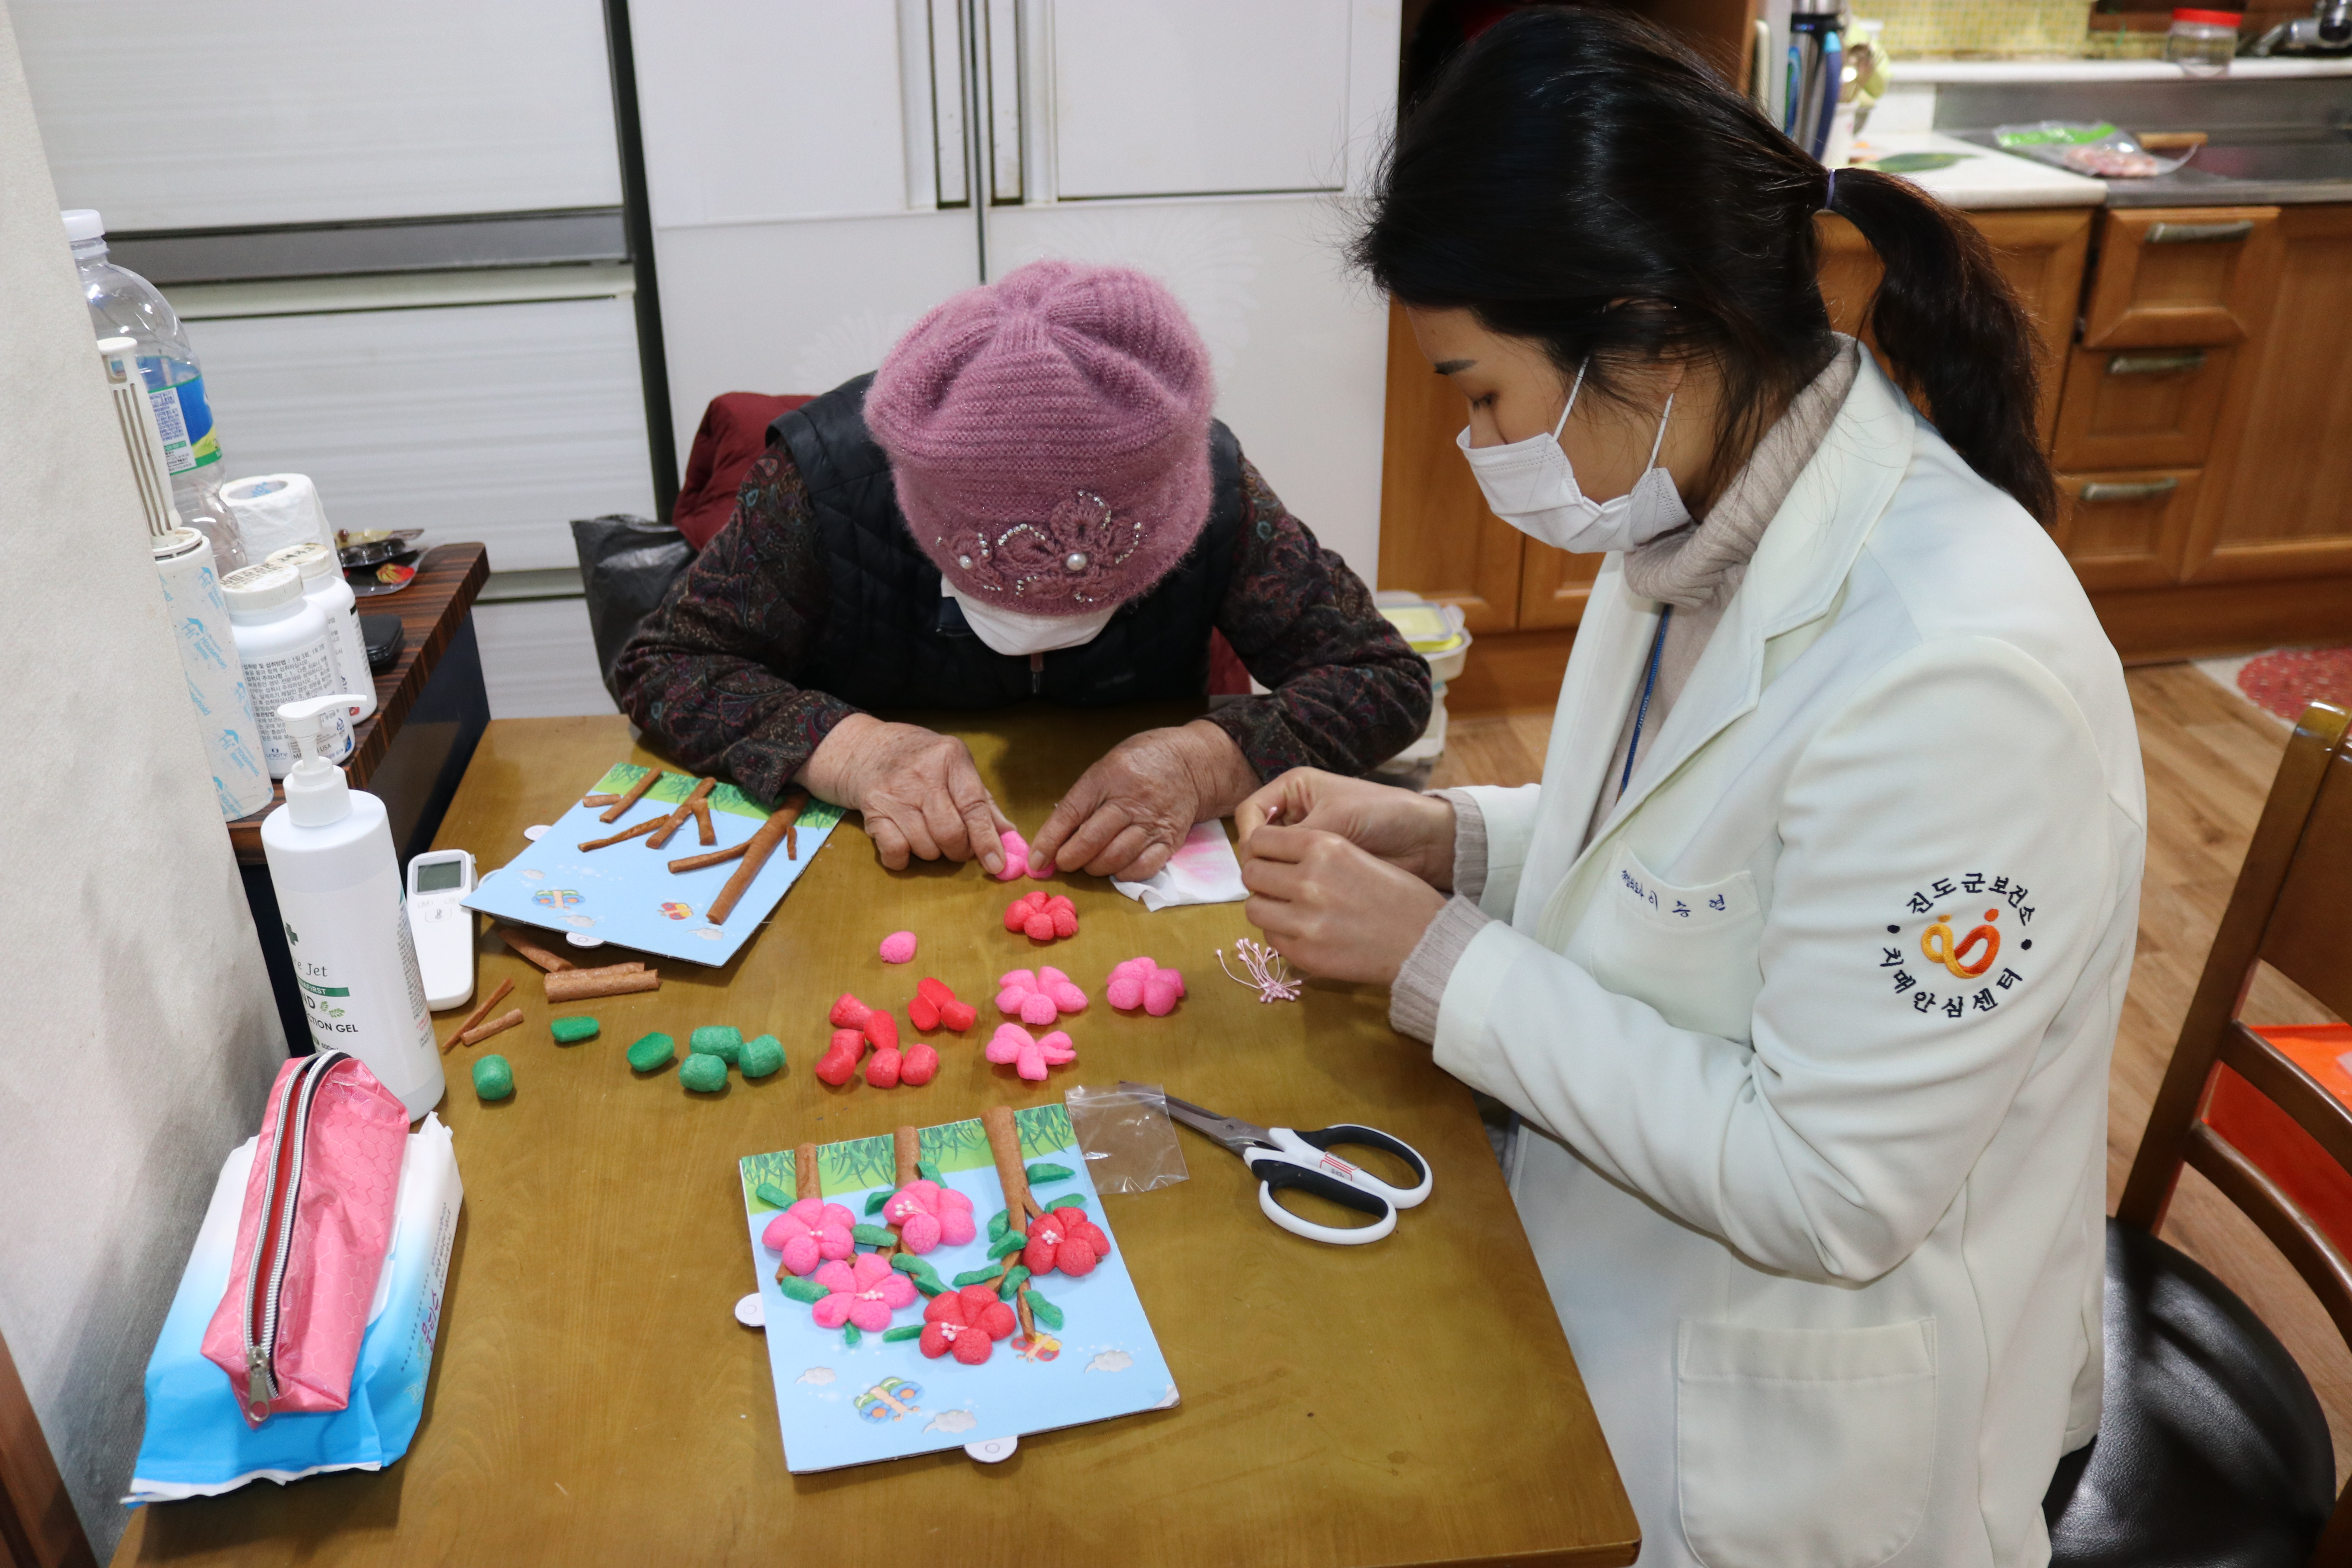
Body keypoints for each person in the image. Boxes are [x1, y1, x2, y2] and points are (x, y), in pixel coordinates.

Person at [1235, 13, 2144, 1566]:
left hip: (1813, 1428)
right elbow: (1681, 874)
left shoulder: (1958, 675)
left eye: (1482, 391)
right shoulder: (1689, 512)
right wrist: (1450, 842)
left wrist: (1432, 959)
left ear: (1651, 338)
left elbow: (1832, 1192)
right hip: (1618, 1259)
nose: (1477, 442)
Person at [613, 260, 1428, 882]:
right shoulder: (823, 483)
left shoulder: (1204, 477)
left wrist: (1206, 759)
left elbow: (1382, 677)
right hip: (871, 875)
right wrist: (853, 752)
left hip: (1139, 884)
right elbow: (665, 664)